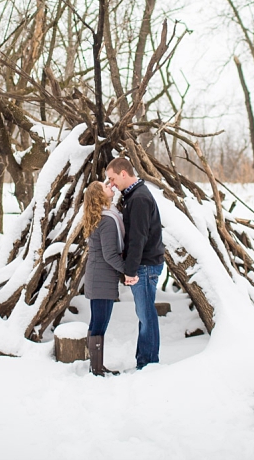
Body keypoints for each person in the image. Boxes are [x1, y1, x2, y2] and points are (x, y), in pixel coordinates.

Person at [104, 157, 164, 370]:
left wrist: (130, 270)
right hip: (146, 263)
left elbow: (137, 238)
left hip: (145, 265)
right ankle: (145, 360)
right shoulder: (134, 195)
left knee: (146, 315)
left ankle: (148, 363)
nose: (111, 184)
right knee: (144, 314)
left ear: (123, 173)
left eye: (112, 178)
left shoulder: (138, 198)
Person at [82, 180, 126, 376]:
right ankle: (96, 368)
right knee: (100, 323)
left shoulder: (99, 216)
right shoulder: (106, 220)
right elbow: (110, 255)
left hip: (98, 277)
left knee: (97, 322)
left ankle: (95, 366)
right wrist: (127, 271)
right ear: (100, 195)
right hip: (102, 279)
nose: (111, 187)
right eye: (106, 186)